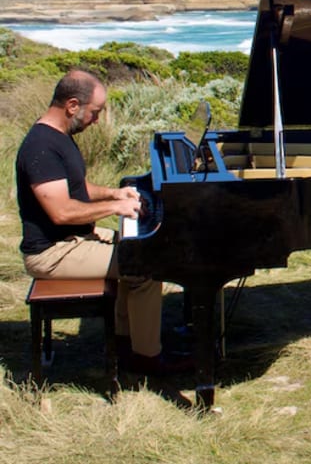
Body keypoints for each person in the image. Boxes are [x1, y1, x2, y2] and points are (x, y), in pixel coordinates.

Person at [15, 69, 190, 375]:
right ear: (72, 105)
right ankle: (147, 358)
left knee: (133, 249)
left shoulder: (59, 136)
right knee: (146, 265)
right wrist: (115, 207)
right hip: (51, 253)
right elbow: (62, 212)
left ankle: (125, 344)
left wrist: (113, 192)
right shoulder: (40, 147)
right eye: (94, 112)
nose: (96, 120)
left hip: (72, 240)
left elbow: (76, 189)